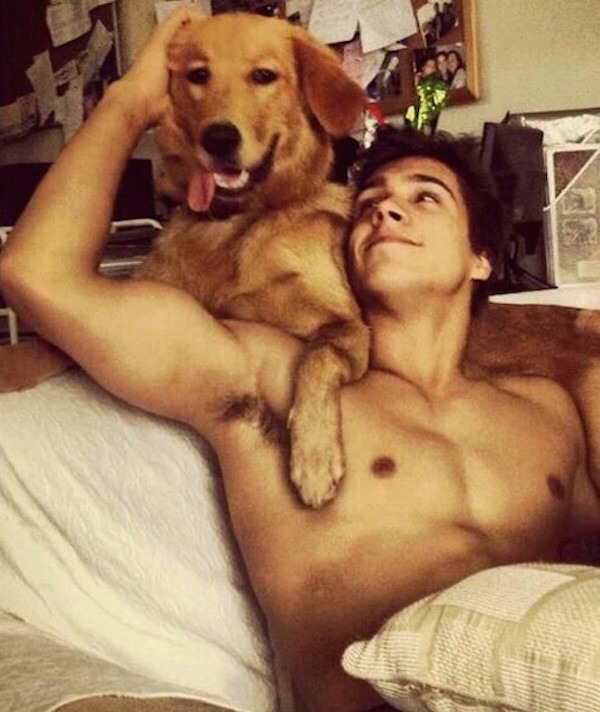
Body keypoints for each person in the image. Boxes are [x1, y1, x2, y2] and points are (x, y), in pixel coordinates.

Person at [1, 10, 599, 712]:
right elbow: (36, 275)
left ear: (482, 259)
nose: (385, 212)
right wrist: (130, 100)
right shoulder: (263, 374)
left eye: (424, 199)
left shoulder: (548, 411)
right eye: (368, 203)